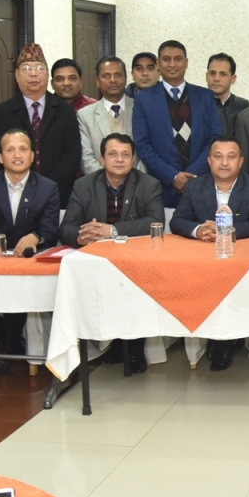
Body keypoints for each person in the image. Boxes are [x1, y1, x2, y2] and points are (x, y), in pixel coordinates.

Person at [61, 133, 162, 377]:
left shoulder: (149, 184)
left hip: (136, 259)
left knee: (134, 291)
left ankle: (134, 349)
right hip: (96, 260)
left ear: (133, 159)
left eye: (125, 155)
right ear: (102, 158)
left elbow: (155, 222)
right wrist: (81, 236)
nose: (119, 160)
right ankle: (112, 344)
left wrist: (112, 231)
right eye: (113, 154)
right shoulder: (84, 185)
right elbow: (66, 227)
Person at [172, 136, 249, 371]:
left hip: (241, 262)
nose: (224, 163)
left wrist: (227, 231)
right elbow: (177, 221)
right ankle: (215, 338)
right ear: (209, 161)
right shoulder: (195, 186)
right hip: (204, 262)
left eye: (231, 157)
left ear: (241, 161)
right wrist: (199, 230)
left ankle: (226, 341)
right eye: (218, 157)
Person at [0, 129, 60, 374]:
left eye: (23, 149)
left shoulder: (48, 187)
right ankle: (13, 344)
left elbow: (50, 231)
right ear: (0, 157)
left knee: (17, 293)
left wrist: (36, 237)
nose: (17, 155)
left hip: (27, 265)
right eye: (10, 150)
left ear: (32, 156)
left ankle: (8, 350)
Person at [0, 43, 82, 207]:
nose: (33, 74)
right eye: (26, 68)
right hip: (15, 195)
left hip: (58, 195)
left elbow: (72, 156)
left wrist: (46, 189)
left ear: (47, 75)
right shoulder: (3, 111)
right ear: (17, 75)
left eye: (39, 68)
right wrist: (23, 187)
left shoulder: (65, 111)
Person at [132, 39, 223, 207]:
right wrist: (172, 176)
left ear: (186, 62)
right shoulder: (143, 99)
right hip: (161, 188)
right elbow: (142, 145)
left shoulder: (205, 96)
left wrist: (192, 175)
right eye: (166, 59)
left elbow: (215, 139)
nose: (172, 64)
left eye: (178, 59)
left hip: (201, 184)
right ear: (158, 63)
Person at [78, 56, 140, 176]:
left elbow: (146, 152)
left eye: (118, 75)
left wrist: (135, 180)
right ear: (97, 81)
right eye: (106, 76)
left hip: (138, 182)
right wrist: (109, 181)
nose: (113, 80)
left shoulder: (140, 109)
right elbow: (86, 158)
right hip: (100, 182)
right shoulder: (85, 115)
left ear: (126, 79)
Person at [208, 53, 249, 138]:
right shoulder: (197, 105)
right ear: (206, 76)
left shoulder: (243, 106)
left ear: (233, 79)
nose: (216, 78)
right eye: (212, 73)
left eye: (223, 74)